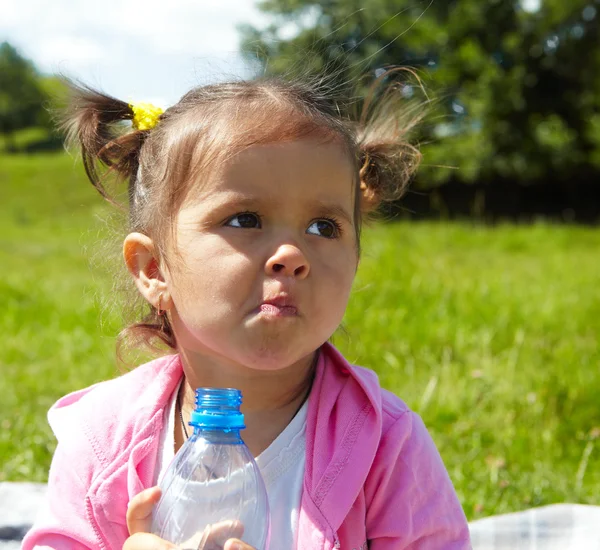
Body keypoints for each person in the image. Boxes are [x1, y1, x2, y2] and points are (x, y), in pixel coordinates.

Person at [23, 74, 471, 550]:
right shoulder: (104, 438)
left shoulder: (384, 445)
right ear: (154, 269)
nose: (291, 253)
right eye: (245, 220)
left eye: (323, 226)